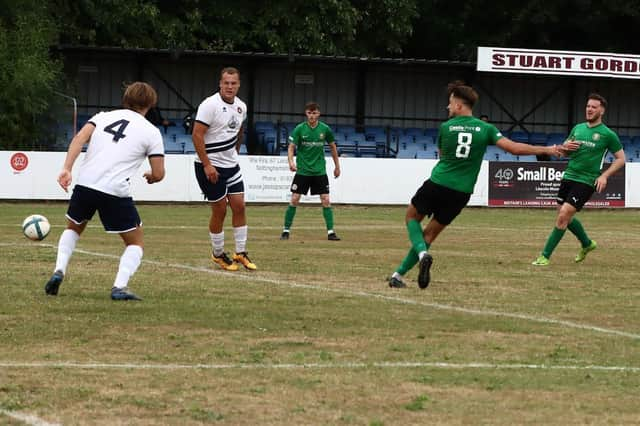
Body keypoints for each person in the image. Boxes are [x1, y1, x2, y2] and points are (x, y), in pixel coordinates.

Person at [387, 81, 567, 289]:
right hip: (461, 193)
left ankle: (422, 254)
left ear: (459, 106)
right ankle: (398, 275)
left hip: (438, 183)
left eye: (450, 103)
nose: (448, 107)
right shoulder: (486, 128)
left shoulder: (446, 127)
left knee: (411, 217)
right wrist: (548, 149)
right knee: (430, 234)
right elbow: (515, 149)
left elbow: (443, 155)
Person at [44, 82, 166, 301]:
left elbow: (79, 138)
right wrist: (152, 176)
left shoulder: (101, 117)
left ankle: (59, 270)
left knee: (74, 228)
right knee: (135, 242)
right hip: (114, 191)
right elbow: (158, 173)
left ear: (125, 98)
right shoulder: (152, 132)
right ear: (151, 103)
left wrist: (66, 168)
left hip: (86, 185)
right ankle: (119, 287)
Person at [532, 93, 625, 266]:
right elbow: (562, 152)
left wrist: (604, 175)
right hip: (569, 175)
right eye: (588, 106)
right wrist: (565, 148)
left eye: (594, 107)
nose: (589, 109)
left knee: (563, 216)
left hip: (587, 180)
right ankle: (587, 244)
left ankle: (544, 257)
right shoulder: (578, 128)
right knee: (565, 216)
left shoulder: (608, 135)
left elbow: (621, 159)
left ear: (602, 111)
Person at [192, 67, 256, 271]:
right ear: (220, 84)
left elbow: (239, 130)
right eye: (226, 83)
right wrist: (207, 165)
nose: (229, 86)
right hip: (210, 166)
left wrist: (235, 151)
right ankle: (218, 254)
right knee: (220, 210)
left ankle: (240, 252)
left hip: (231, 165)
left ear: (238, 85)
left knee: (240, 206)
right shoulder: (209, 105)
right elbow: (197, 135)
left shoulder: (241, 107)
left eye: (233, 83)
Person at [280, 102, 341, 241]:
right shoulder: (300, 129)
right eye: (309, 113)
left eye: (314, 113)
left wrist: (337, 166)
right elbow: (291, 147)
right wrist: (291, 162)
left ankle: (331, 232)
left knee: (325, 200)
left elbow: (332, 147)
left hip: (319, 171)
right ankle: (286, 230)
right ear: (306, 113)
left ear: (318, 114)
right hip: (303, 171)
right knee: (295, 199)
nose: (312, 116)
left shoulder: (325, 129)